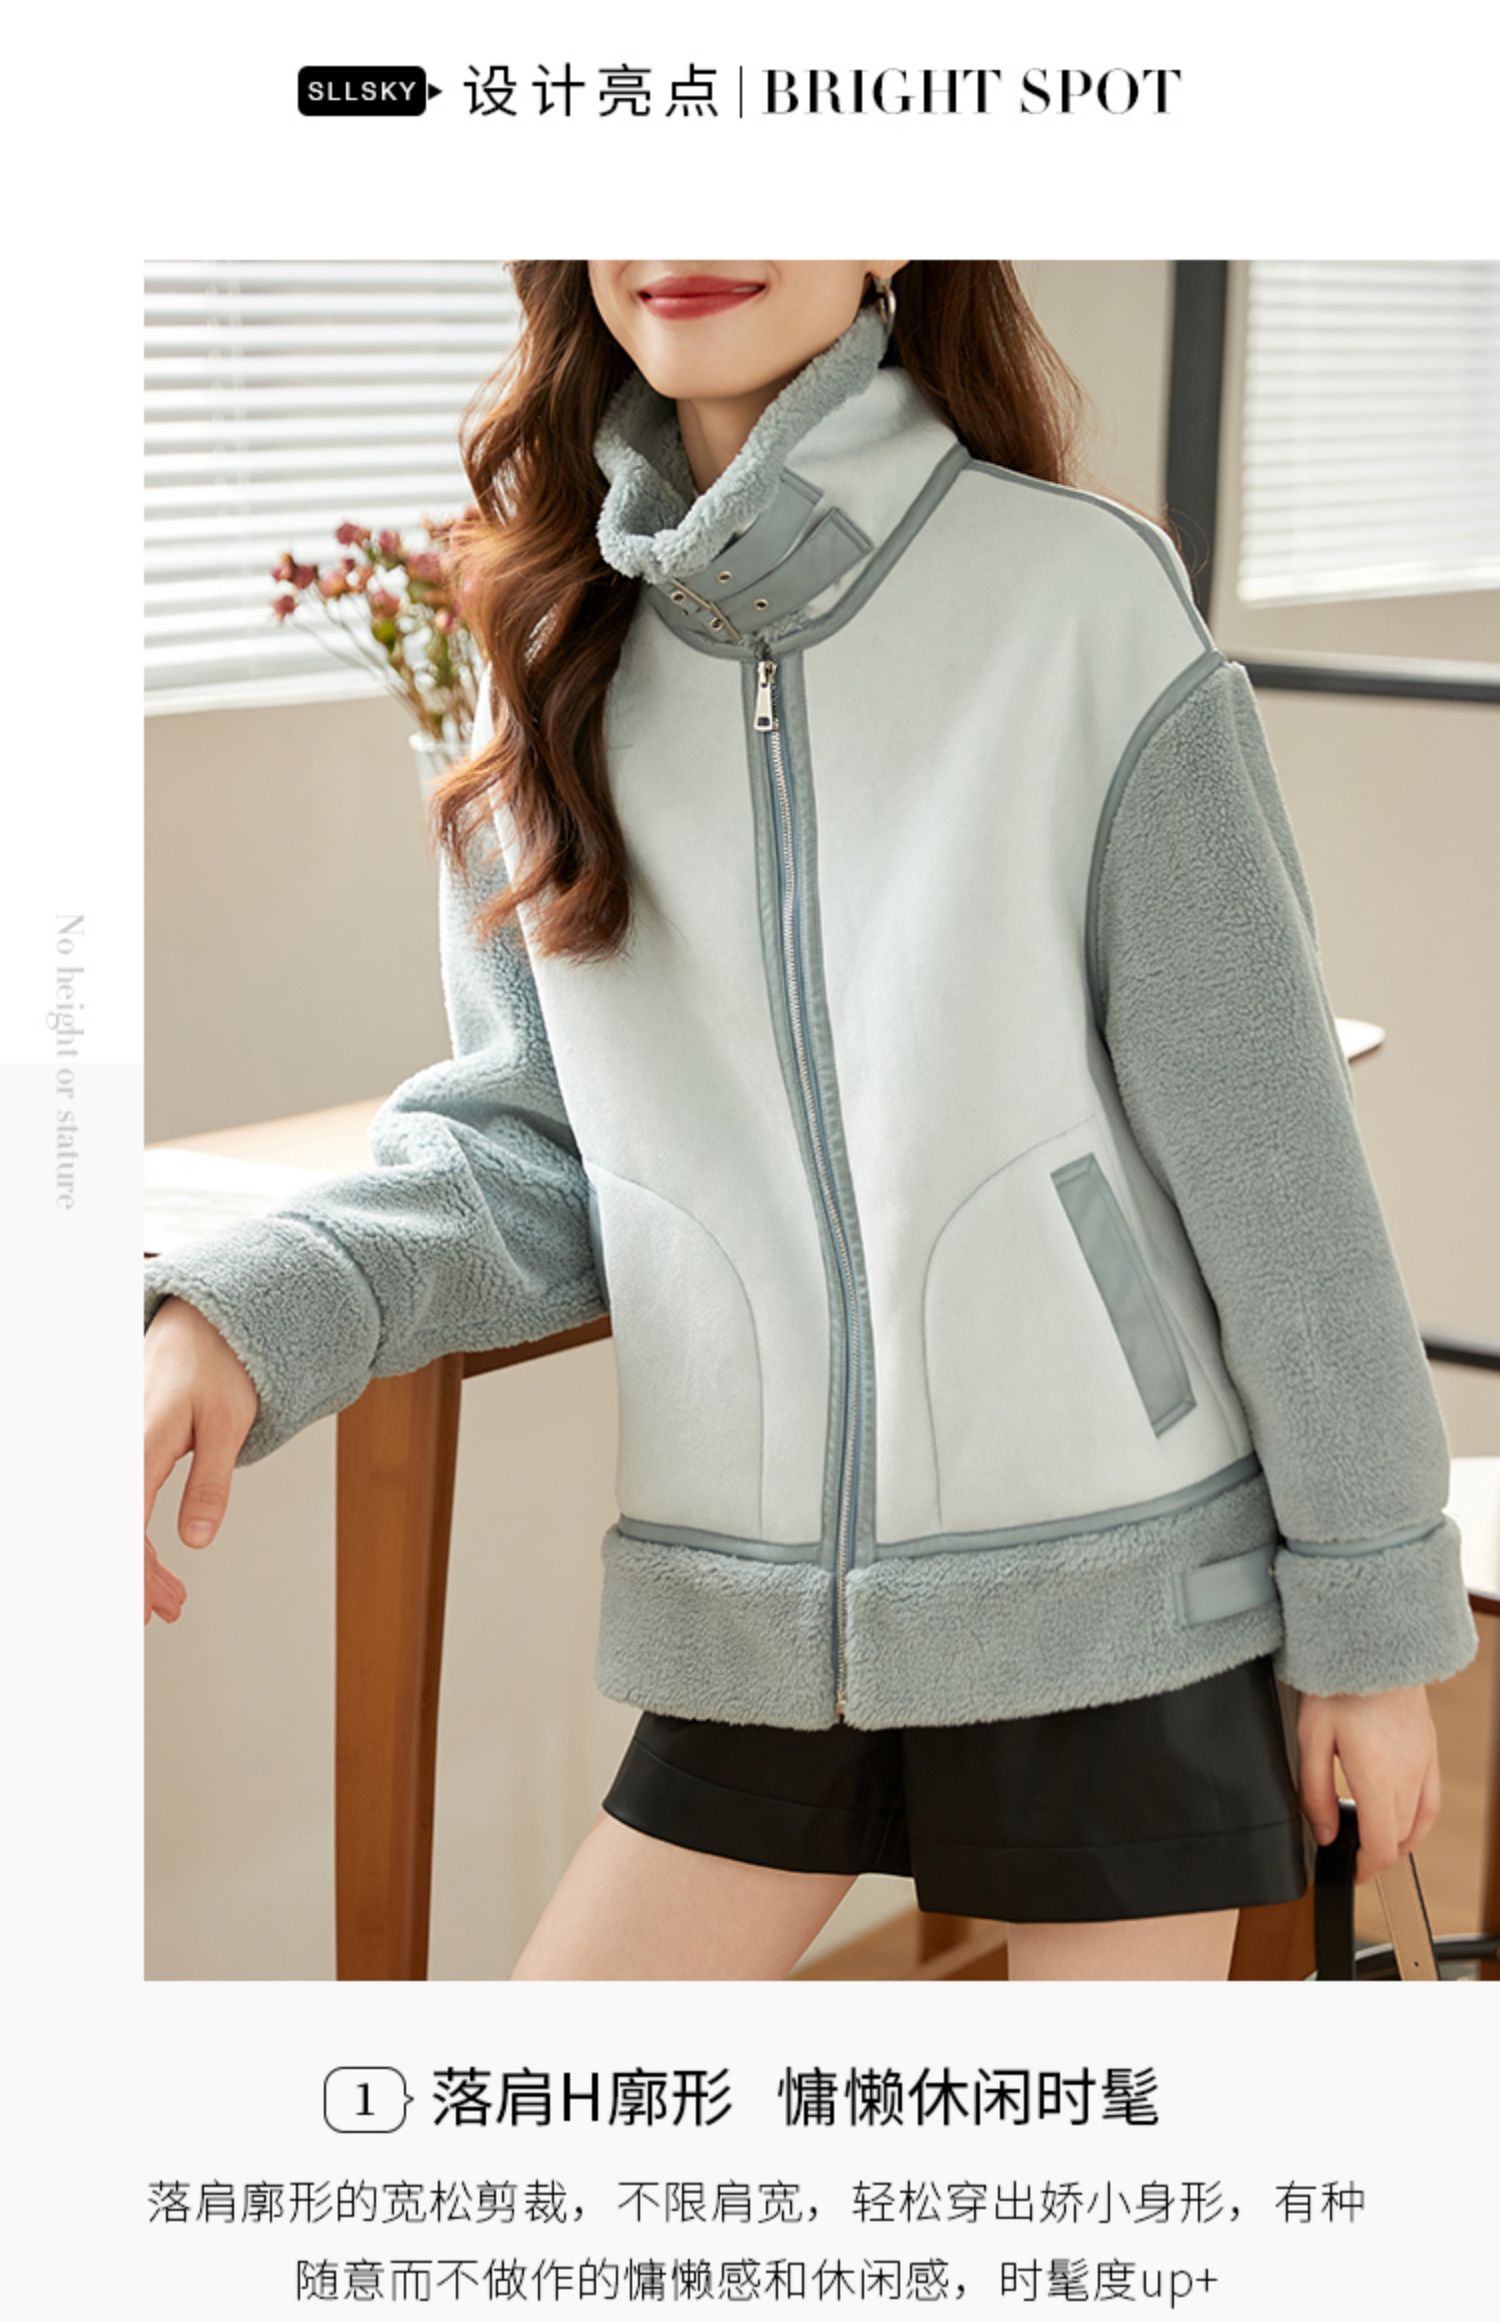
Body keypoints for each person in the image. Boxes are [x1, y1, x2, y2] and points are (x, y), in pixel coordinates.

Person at [144, 260, 1479, 1981]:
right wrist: (245, 1312)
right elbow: (532, 1148)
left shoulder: (1079, 601)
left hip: (1120, 1603)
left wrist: (1372, 1622)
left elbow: (1275, 1166)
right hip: (753, 1624)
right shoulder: (543, 651)